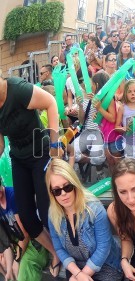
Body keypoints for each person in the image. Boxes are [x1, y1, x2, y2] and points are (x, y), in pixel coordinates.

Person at [0, 75, 63, 277]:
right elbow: (0, 143)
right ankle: (55, 251)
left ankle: (65, 250)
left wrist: (55, 146)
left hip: (40, 152)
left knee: (45, 210)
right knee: (26, 216)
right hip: (18, 158)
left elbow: (51, 103)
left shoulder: (17, 89)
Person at [46, 159, 123, 280]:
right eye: (57, 191)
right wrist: (77, 274)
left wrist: (82, 276)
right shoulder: (53, 214)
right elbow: (59, 248)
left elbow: (104, 247)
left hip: (106, 266)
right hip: (75, 267)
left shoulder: (94, 209)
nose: (63, 194)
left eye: (67, 187)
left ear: (75, 184)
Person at [0, 177, 50, 281]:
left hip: (35, 242)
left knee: (23, 274)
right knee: (5, 263)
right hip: (17, 243)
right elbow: (6, 241)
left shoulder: (13, 195)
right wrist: (9, 269)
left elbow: (25, 234)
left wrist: (17, 260)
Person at [73, 72, 109, 181]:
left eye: (92, 84)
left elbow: (109, 118)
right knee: (71, 154)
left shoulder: (107, 99)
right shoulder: (86, 99)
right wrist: (80, 105)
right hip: (87, 131)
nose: (90, 86)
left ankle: (99, 171)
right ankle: (95, 164)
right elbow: (81, 120)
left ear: (97, 85)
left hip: (100, 132)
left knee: (97, 157)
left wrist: (97, 104)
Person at [115, 79, 135, 171]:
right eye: (129, 91)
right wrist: (124, 128)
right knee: (131, 168)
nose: (132, 94)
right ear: (125, 93)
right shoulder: (122, 108)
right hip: (129, 141)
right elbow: (116, 127)